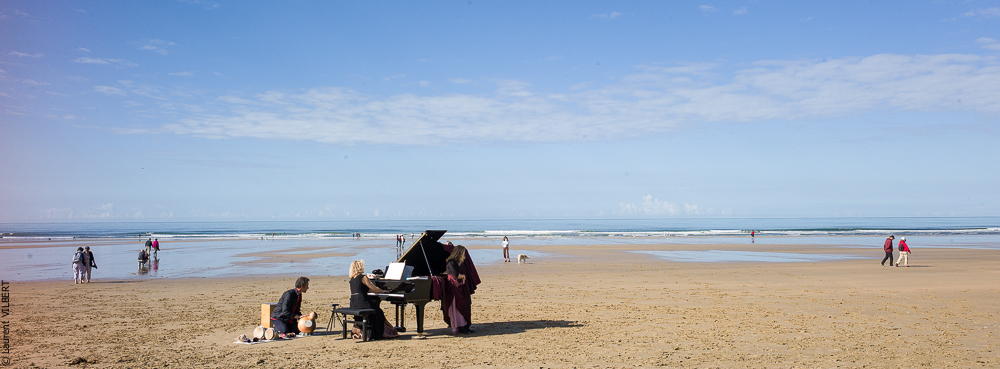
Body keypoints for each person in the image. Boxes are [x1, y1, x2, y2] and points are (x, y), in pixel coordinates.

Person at [348, 260, 398, 340]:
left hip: (354, 303)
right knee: (379, 312)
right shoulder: (363, 277)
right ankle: (376, 334)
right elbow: (373, 288)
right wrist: (383, 291)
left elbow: (361, 290)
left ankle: (367, 331)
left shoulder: (352, 279)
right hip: (362, 302)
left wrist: (372, 291)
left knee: (375, 309)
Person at [442, 245, 475, 334]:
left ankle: (464, 325)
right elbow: (456, 275)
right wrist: (463, 276)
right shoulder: (451, 262)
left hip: (457, 284)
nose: (464, 254)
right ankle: (460, 326)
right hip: (453, 285)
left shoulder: (455, 262)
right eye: (463, 252)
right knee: (458, 305)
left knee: (463, 304)